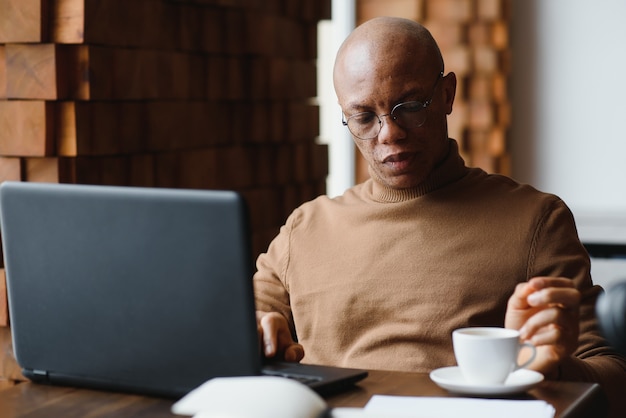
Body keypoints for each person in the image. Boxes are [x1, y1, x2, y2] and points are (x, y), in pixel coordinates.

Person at [254, 16, 626, 416]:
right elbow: (242, 331)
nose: (389, 134)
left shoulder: (535, 221)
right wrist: (255, 334)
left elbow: (616, 381)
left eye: (410, 107)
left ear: (447, 93)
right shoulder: (304, 229)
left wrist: (551, 367)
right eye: (363, 117)